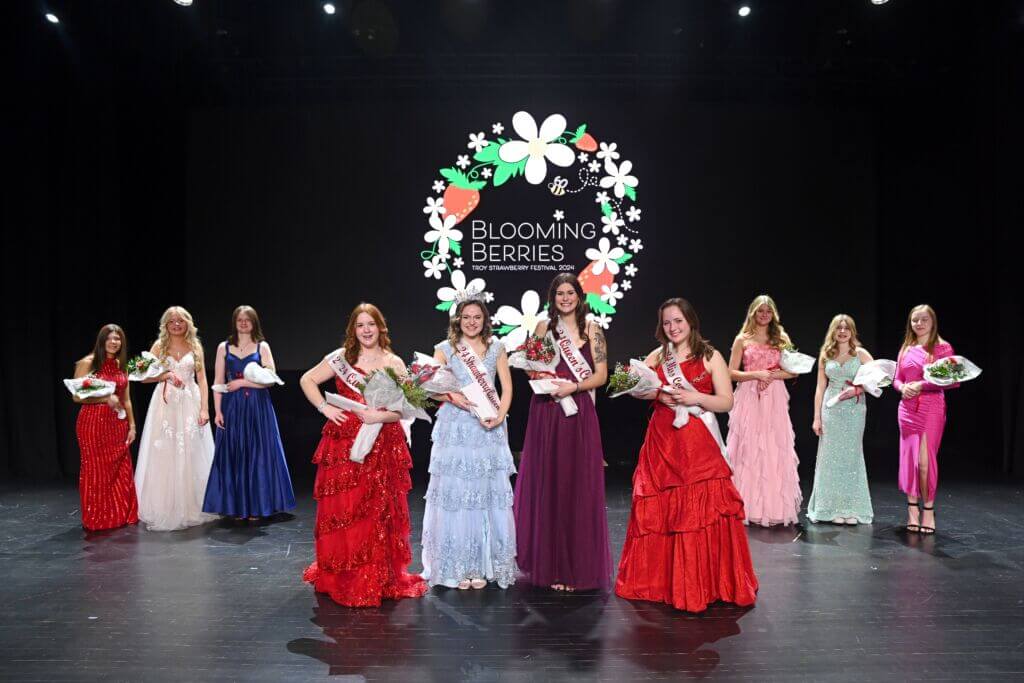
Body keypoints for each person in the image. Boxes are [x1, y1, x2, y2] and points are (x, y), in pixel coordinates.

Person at [615, 298, 758, 612]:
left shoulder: (710, 356)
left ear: (690, 321)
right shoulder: (658, 355)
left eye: (678, 321)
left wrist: (695, 396)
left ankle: (701, 584)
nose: (673, 327)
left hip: (696, 446)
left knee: (696, 515)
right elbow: (630, 383)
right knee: (662, 512)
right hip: (661, 442)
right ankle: (661, 581)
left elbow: (726, 402)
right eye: (667, 322)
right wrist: (651, 392)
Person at [299, 303, 427, 607]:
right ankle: (348, 574)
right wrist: (325, 407)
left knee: (377, 510)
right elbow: (307, 380)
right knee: (348, 510)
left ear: (381, 327)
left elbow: (406, 408)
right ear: (353, 330)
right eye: (360, 325)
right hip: (345, 443)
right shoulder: (341, 358)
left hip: (382, 443)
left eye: (371, 324)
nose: (366, 330)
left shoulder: (393, 362)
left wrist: (378, 418)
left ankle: (378, 576)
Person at [513, 273, 612, 592]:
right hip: (547, 412)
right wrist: (537, 373)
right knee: (549, 485)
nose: (565, 298)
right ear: (552, 298)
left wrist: (574, 385)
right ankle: (551, 564)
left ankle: (574, 567)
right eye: (559, 293)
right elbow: (534, 366)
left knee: (576, 486)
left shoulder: (593, 330)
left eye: (570, 293)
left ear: (580, 296)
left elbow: (600, 376)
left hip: (578, 412)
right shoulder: (543, 327)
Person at [420, 298, 517, 590]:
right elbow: (429, 387)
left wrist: (500, 416)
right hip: (457, 428)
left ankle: (483, 565)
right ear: (458, 320)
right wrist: (452, 397)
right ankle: (458, 566)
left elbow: (507, 387)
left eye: (477, 317)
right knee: (459, 495)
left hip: (488, 426)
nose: (471, 322)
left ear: (484, 320)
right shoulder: (445, 349)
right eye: (466, 317)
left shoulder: (496, 347)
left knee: (485, 494)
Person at [202, 305, 295, 521]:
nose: (243, 323)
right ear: (234, 323)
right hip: (232, 406)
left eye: (247, 319)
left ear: (254, 322)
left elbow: (271, 380)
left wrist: (243, 381)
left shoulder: (262, 347)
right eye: (239, 319)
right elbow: (218, 381)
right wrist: (217, 411)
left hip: (257, 407)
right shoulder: (223, 347)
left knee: (257, 453)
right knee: (235, 453)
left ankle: (257, 506)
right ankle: (236, 506)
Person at [134, 306, 217, 531]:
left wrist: (204, 409)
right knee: (165, 451)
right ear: (166, 325)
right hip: (166, 404)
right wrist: (166, 375)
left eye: (181, 321)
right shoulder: (159, 346)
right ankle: (164, 505)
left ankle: (192, 505)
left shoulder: (195, 345)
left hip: (190, 402)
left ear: (188, 323)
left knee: (192, 451)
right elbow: (141, 377)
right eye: (172, 321)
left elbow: (202, 379)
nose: (177, 324)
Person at [726, 294, 802, 527]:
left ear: (773, 314)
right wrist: (756, 375)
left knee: (772, 445)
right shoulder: (743, 339)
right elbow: (730, 372)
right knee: (749, 447)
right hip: (749, 395)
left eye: (768, 311)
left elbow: (794, 371)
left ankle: (773, 507)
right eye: (760, 311)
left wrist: (772, 375)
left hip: (774, 396)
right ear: (753, 313)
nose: (764, 314)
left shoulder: (781, 338)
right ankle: (746, 505)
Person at [893, 304, 957, 535]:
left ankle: (928, 509)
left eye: (923, 320)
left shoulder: (942, 348)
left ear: (933, 321)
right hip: (907, 410)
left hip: (931, 408)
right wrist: (902, 388)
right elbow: (897, 378)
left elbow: (952, 380)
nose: (918, 324)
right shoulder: (906, 348)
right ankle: (912, 509)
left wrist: (921, 384)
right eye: (914, 320)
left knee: (924, 462)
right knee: (910, 460)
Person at [807, 314, 875, 525]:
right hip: (832, 408)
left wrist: (859, 387)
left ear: (852, 331)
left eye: (847, 328)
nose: (843, 331)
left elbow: (879, 376)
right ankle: (830, 508)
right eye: (839, 328)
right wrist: (816, 417)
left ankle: (851, 508)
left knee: (851, 456)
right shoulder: (826, 354)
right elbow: (819, 387)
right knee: (830, 457)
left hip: (854, 409)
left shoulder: (860, 353)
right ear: (833, 331)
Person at [71, 324, 139, 531]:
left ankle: (118, 515)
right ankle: (97, 518)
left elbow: (126, 400)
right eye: (109, 338)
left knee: (119, 470)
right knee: (96, 472)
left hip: (118, 425)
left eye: (117, 339)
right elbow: (76, 397)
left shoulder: (121, 364)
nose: (113, 342)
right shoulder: (88, 363)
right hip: (92, 424)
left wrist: (132, 426)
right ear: (101, 341)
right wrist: (104, 397)